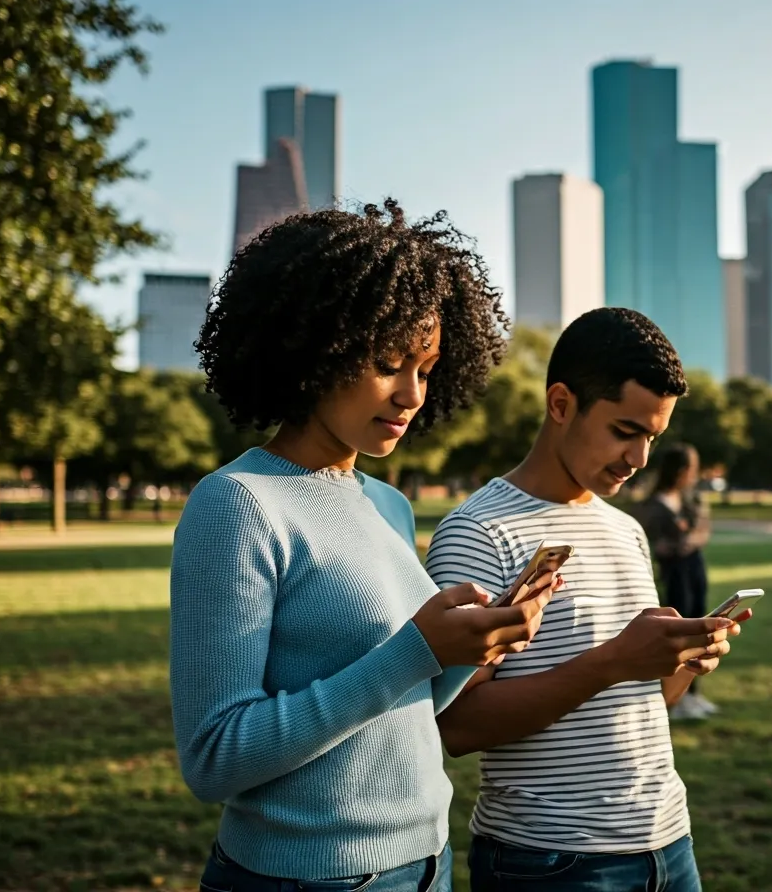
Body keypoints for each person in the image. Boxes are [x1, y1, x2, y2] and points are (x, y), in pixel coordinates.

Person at [170, 201, 555, 892]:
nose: (411, 394)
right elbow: (215, 757)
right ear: (314, 347)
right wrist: (417, 649)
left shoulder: (389, 504)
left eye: (429, 369)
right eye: (388, 362)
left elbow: (398, 708)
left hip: (428, 864)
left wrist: (469, 652)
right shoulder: (237, 504)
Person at [425, 308, 745, 892]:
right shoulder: (478, 532)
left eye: (653, 437)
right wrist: (614, 660)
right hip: (553, 858)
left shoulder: (627, 530)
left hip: (670, 842)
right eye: (625, 431)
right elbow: (457, 725)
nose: (641, 458)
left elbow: (635, 706)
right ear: (561, 405)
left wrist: (677, 666)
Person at [635, 444, 717, 721]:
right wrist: (675, 544)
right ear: (680, 471)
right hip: (671, 575)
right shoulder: (653, 505)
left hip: (694, 568)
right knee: (680, 631)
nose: (693, 475)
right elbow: (650, 543)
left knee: (700, 628)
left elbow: (703, 530)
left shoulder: (689, 499)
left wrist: (687, 540)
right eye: (691, 469)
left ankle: (693, 694)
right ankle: (676, 697)